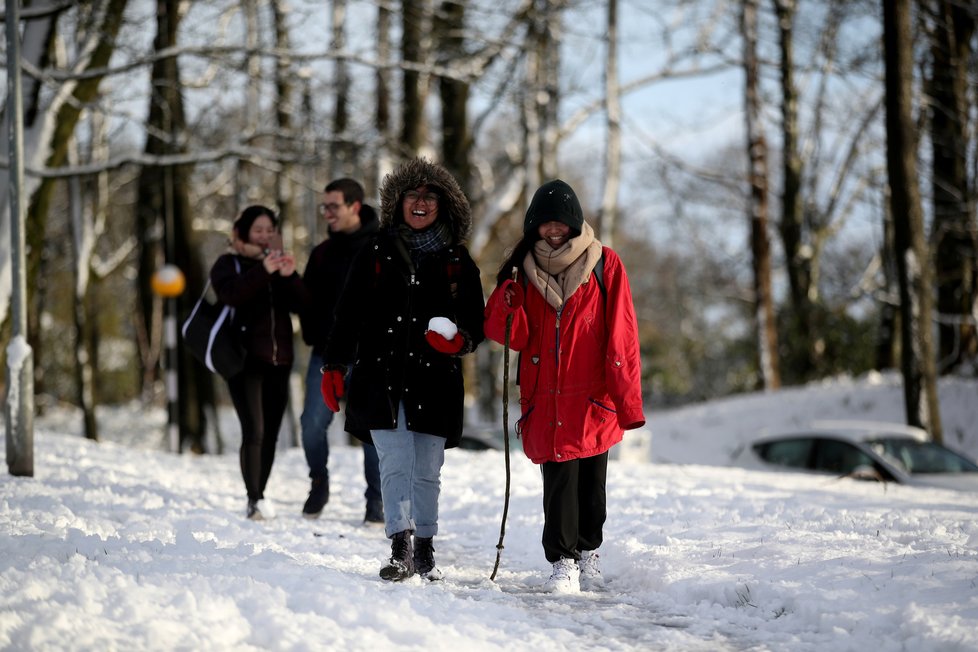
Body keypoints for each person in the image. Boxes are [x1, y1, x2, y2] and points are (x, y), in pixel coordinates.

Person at [320, 157, 485, 582]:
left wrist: (459, 340)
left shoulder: (457, 261)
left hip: (436, 380)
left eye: (431, 196)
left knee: (427, 469)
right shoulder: (374, 252)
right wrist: (333, 366)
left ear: (444, 206)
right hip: (381, 376)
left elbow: (475, 322)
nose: (421, 203)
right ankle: (400, 547)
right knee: (393, 463)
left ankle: (425, 549)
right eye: (413, 194)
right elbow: (346, 314)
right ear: (398, 202)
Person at [483, 179, 645, 593]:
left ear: (574, 224)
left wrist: (627, 400)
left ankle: (589, 551)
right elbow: (511, 336)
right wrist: (507, 300)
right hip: (547, 397)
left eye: (561, 224)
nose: (553, 231)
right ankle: (563, 561)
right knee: (559, 484)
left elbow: (622, 334)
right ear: (534, 226)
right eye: (545, 224)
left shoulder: (606, 264)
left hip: (593, 396)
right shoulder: (522, 268)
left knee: (592, 485)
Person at [211, 205, 306, 521]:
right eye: (258, 230)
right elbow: (230, 295)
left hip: (279, 361)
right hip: (244, 360)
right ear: (243, 233)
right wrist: (263, 269)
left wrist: (289, 276)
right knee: (254, 428)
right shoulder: (229, 264)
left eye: (270, 230)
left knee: (271, 433)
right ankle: (255, 498)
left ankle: (260, 493)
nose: (265, 236)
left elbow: (304, 305)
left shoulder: (279, 265)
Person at [298, 178, 383, 522]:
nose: (327, 213)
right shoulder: (321, 254)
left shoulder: (381, 247)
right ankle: (318, 480)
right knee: (311, 424)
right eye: (324, 206)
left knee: (373, 431)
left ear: (355, 207)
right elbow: (305, 303)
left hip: (370, 356)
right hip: (326, 355)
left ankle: (376, 501)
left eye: (333, 206)